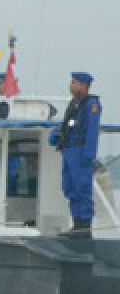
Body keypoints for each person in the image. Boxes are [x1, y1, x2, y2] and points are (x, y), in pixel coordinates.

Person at [50, 72, 102, 235]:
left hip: (80, 152)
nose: (71, 86)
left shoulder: (91, 105)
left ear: (84, 86)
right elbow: (66, 125)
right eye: (71, 82)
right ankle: (77, 223)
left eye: (74, 83)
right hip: (69, 151)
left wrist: (89, 155)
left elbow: (92, 132)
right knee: (70, 188)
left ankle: (84, 226)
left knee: (82, 188)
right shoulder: (73, 104)